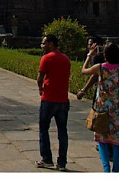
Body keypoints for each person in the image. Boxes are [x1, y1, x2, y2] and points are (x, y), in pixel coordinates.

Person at [81, 42, 119, 173]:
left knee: (102, 140)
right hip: (118, 109)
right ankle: (116, 171)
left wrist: (89, 55)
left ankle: (106, 169)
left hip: (103, 109)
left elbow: (83, 71)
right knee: (117, 142)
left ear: (105, 55)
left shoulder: (101, 67)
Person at [36, 34, 71, 171]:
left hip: (49, 99)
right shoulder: (66, 59)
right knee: (62, 131)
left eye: (44, 43)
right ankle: (62, 163)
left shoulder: (46, 58)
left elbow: (40, 77)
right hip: (63, 100)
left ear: (51, 44)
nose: (42, 46)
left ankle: (47, 159)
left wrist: (40, 89)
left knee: (44, 128)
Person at [76, 36, 105, 100]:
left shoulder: (96, 57)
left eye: (91, 44)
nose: (89, 47)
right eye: (88, 45)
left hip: (100, 88)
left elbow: (94, 75)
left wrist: (83, 90)